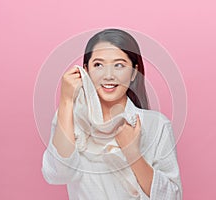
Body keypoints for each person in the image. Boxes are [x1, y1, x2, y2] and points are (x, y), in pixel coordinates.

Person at [42, 28, 182, 200]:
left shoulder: (156, 125)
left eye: (119, 65)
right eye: (98, 65)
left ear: (133, 73)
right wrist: (66, 101)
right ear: (86, 70)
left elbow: (172, 197)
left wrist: (132, 153)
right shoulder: (70, 119)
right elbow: (57, 175)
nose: (108, 76)